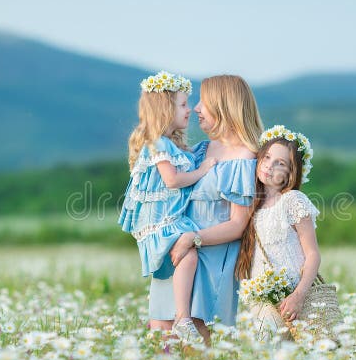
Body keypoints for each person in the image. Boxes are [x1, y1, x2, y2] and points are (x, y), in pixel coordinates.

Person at [160, 75, 264, 343]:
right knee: (167, 337)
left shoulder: (245, 157)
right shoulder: (200, 150)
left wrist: (192, 239)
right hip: (182, 254)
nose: (196, 109)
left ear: (223, 105)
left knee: (200, 341)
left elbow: (237, 225)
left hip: (213, 258)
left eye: (203, 103)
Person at [118, 71, 217, 342]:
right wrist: (203, 170)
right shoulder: (159, 143)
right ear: (165, 109)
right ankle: (183, 317)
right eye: (183, 105)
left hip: (165, 217)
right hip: (163, 219)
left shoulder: (167, 144)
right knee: (190, 255)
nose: (189, 110)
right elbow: (172, 180)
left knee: (185, 259)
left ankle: (179, 317)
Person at [235, 125, 321, 341]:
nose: (269, 166)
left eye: (280, 163)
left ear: (290, 173)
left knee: (288, 355)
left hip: (292, 297)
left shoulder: (292, 201)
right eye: (267, 158)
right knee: (267, 350)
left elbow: (313, 254)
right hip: (261, 299)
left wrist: (298, 295)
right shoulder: (251, 205)